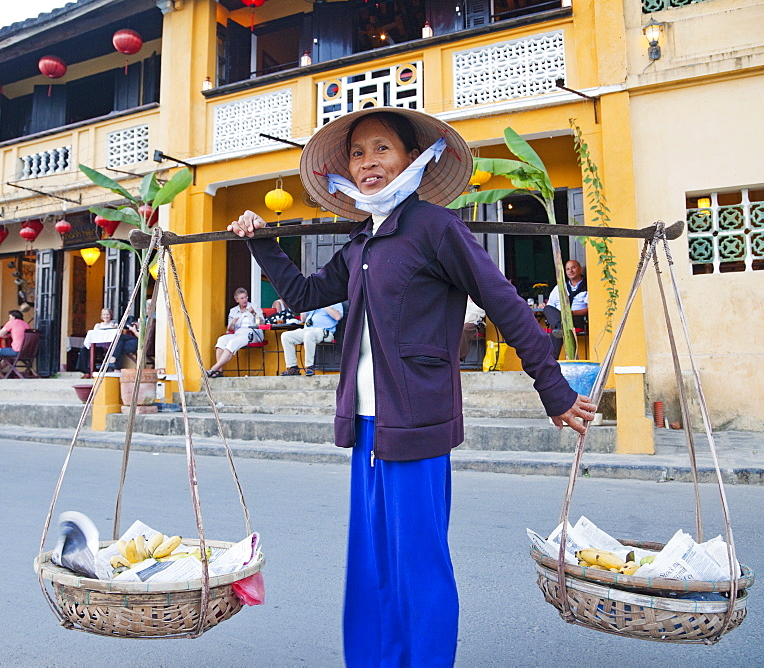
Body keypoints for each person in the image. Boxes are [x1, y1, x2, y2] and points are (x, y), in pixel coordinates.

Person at [228, 107, 595, 666]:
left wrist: (555, 389)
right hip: (367, 427)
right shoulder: (359, 243)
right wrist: (261, 241)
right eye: (357, 154)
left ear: (409, 158)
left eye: (381, 149)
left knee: (419, 565)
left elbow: (507, 307)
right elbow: (302, 296)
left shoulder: (435, 227)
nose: (368, 163)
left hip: (417, 424)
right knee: (371, 565)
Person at [206, 287, 263, 378]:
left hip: (252, 333)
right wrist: (232, 323)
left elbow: (260, 323)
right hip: (237, 333)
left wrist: (254, 314)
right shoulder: (233, 311)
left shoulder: (254, 307)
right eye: (242, 298)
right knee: (221, 340)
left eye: (246, 297)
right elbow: (230, 329)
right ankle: (219, 371)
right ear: (237, 300)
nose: (245, 300)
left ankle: (214, 368)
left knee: (232, 343)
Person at [279, 303, 344, 376]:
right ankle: (293, 367)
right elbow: (303, 319)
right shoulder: (313, 302)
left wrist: (323, 303)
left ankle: (309, 366)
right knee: (286, 336)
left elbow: (338, 317)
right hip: (308, 329)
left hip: (325, 331)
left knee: (309, 335)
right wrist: (304, 306)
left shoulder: (335, 301)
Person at [543, 259, 589, 359]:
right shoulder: (560, 287)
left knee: (558, 328)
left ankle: (552, 360)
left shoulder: (588, 287)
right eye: (568, 269)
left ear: (580, 269)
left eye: (573, 267)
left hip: (576, 319)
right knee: (547, 308)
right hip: (559, 319)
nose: (570, 271)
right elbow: (551, 306)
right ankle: (560, 326)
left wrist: (570, 313)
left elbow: (589, 310)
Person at [76, 308, 120, 378]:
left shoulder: (114, 325)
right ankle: (86, 371)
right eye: (104, 314)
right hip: (97, 345)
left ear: (111, 315)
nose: (106, 316)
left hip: (108, 347)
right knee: (83, 350)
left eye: (107, 314)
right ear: (101, 316)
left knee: (96, 352)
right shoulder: (98, 325)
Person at [0, 310, 30, 378]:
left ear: (13, 317)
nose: (9, 319)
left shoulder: (12, 323)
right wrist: (11, 335)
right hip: (26, 351)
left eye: (10, 317)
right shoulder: (25, 324)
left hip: (16, 351)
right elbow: (20, 334)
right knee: (9, 358)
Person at [458, 296, 486, 361]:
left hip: (476, 324)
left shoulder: (480, 298)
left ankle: (459, 356)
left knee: (465, 329)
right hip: (461, 322)